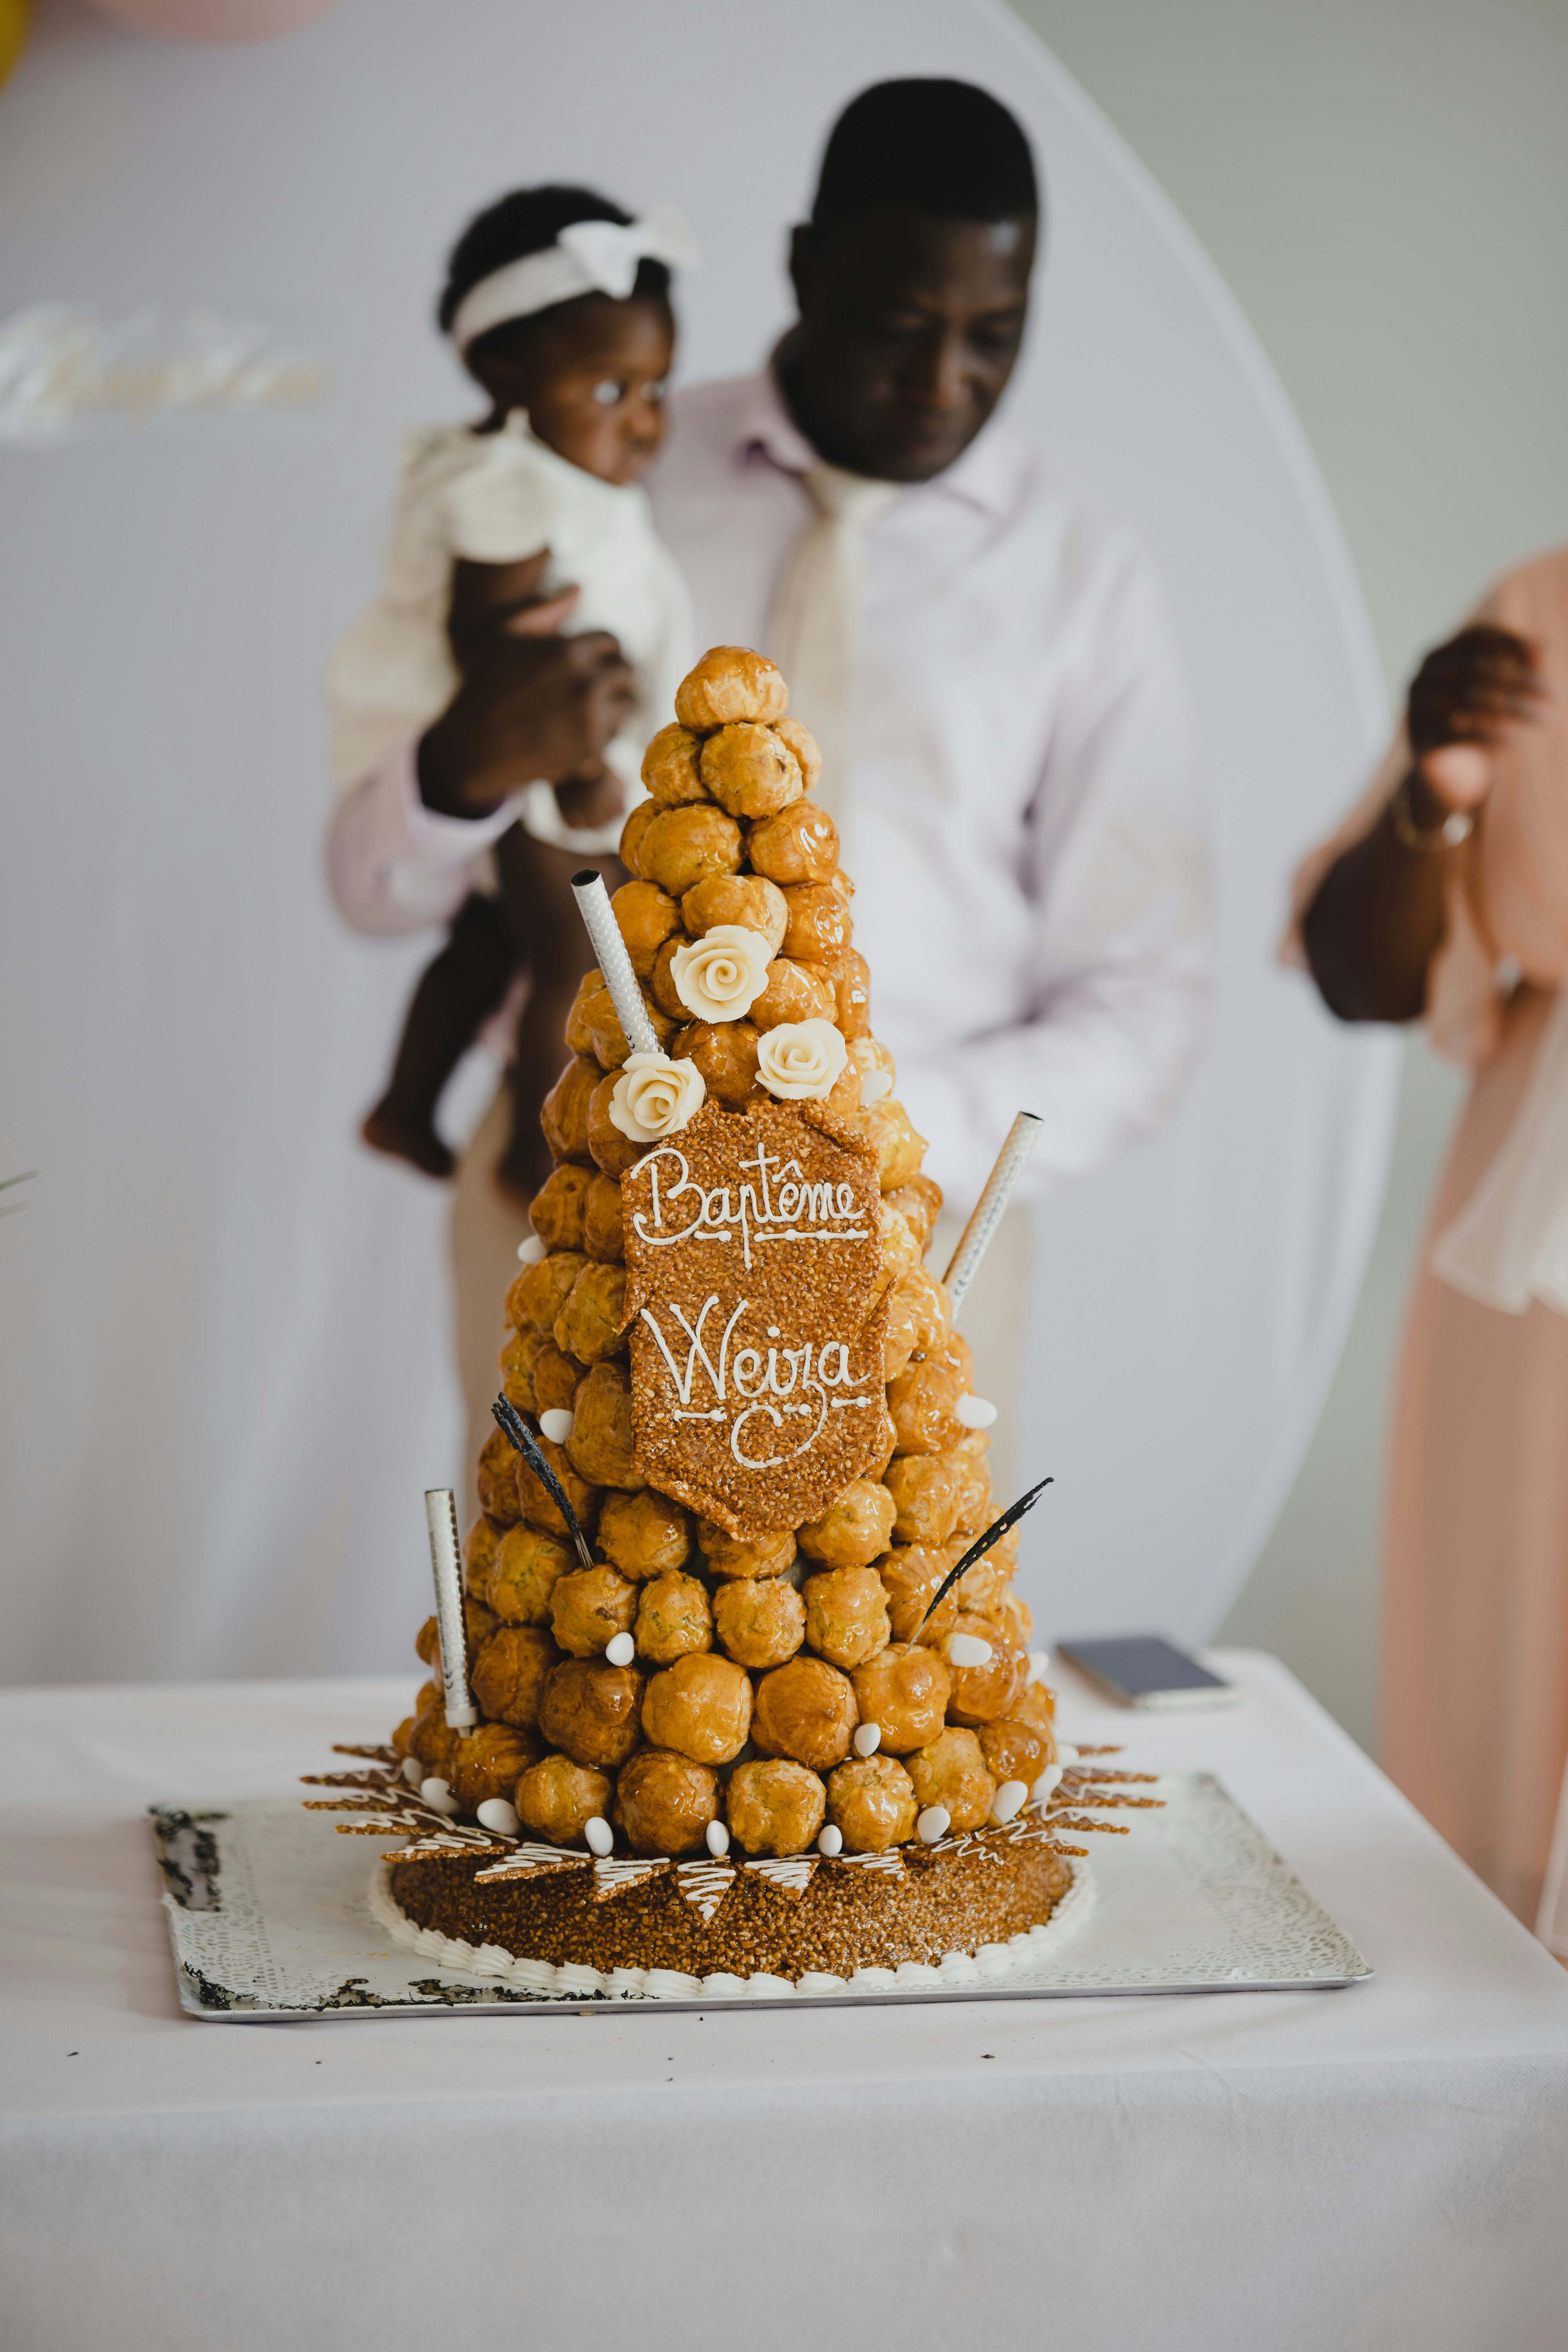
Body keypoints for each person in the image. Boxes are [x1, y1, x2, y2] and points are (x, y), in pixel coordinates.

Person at [327, 78, 1210, 1512]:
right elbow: (372, 890)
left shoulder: (1083, 574)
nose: (943, 385)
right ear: (803, 266)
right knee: (559, 1671)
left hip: (905, 1246)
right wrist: (455, 769)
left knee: (882, 1705)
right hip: (574, 1209)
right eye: (899, 323)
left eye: (994, 334)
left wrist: (860, 1134)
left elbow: (1147, 999)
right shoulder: (601, 474)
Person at [1294, 548, 1568, 1930]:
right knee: (1515, 1674)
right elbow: (1361, 974)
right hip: (1533, 1261)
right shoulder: (1542, 613)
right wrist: (1433, 790)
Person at [327, 185, 694, 1198]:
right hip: (546, 768)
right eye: (610, 391)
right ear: (504, 374)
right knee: (583, 965)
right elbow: (494, 647)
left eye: (658, 388)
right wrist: (579, 772)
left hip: (559, 762)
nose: (646, 424)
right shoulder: (502, 485)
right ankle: (545, 1163)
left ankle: (405, 1105)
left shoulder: (571, 478)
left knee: (493, 937)